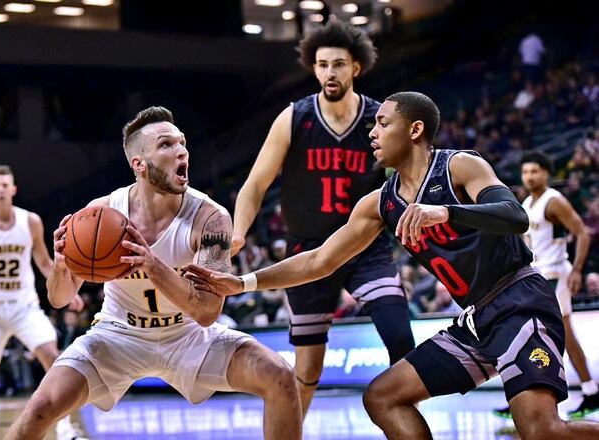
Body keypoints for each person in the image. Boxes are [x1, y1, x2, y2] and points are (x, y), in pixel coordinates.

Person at [185, 92, 599, 439]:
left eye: (383, 123)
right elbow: (319, 260)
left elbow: (514, 216)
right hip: (476, 320)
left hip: (519, 301)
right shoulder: (380, 203)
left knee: (541, 431)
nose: (372, 132)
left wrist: (446, 211)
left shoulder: (459, 166)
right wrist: (243, 282)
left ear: (415, 129)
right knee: (382, 396)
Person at [5, 106, 302, 440]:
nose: (181, 151)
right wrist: (62, 266)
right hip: (118, 334)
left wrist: (153, 265)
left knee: (280, 376)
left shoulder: (210, 218)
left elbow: (207, 312)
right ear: (140, 164)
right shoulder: (100, 213)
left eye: (182, 143)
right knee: (41, 407)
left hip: (188, 336)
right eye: (166, 144)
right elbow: (59, 299)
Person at [230, 19, 414, 416]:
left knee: (401, 338)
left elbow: (410, 174)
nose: (330, 72)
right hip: (307, 250)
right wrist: (238, 232)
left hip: (364, 245)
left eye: (338, 64)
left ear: (356, 67)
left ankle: (404, 425)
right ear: (313, 69)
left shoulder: (379, 119)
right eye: (322, 64)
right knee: (308, 368)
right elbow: (256, 184)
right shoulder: (294, 118)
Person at [0, 165, 83, 440]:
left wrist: (68, 289)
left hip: (24, 305)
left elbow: (43, 262)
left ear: (13, 189)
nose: (1, 190)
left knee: (54, 358)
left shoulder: (30, 221)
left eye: (5, 185)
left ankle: (64, 427)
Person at [490, 152, 597, 419]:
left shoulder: (554, 201)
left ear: (546, 173)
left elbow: (582, 233)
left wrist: (578, 270)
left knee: (552, 335)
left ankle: (581, 391)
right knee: (543, 336)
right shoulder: (527, 202)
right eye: (526, 172)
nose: (529, 177)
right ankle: (536, 397)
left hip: (555, 274)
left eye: (535, 171)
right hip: (538, 275)